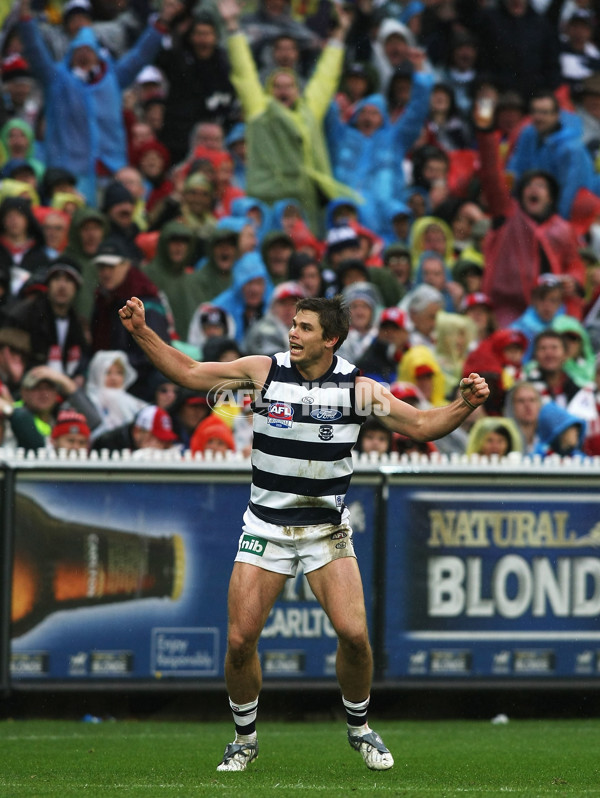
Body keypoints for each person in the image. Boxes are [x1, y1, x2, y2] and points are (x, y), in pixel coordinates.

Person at [118, 292, 489, 772]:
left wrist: (464, 404)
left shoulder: (358, 388)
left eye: (305, 327)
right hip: (265, 527)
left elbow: (419, 425)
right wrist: (142, 332)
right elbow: (190, 373)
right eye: (293, 324)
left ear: (331, 339)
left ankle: (359, 728)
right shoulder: (262, 372)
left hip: (325, 531)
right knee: (239, 641)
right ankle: (244, 739)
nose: (293, 332)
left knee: (355, 636)